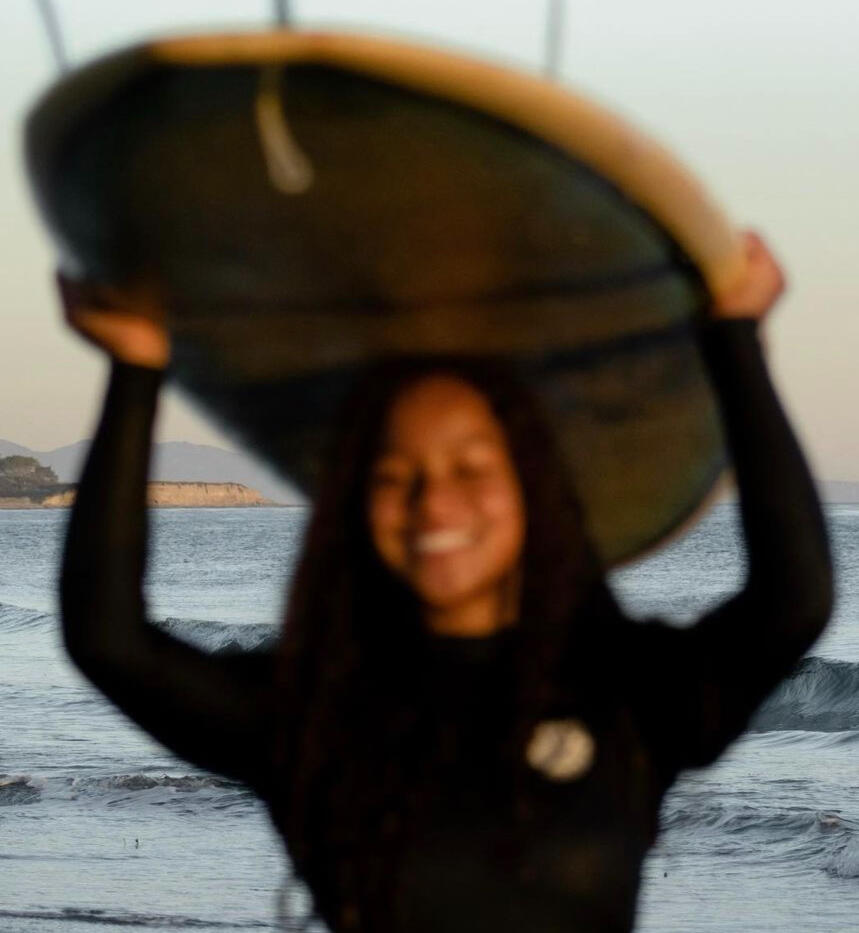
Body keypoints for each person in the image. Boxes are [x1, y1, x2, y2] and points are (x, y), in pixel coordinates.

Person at [59, 231, 832, 933]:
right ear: (355, 509)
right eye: (397, 476)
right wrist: (135, 364)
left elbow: (792, 598)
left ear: (531, 488)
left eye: (471, 467)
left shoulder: (623, 690)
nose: (435, 502)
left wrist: (734, 336)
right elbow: (109, 638)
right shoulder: (312, 712)